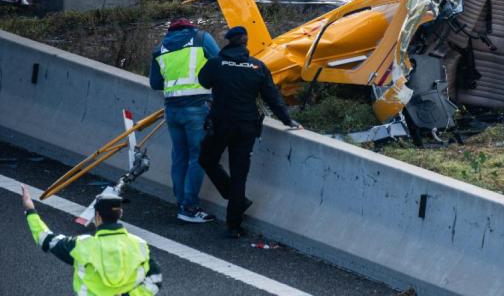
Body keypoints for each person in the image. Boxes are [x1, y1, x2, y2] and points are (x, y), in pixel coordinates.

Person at [198, 26, 302, 238]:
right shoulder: (258, 67)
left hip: (220, 124)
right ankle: (234, 225)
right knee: (239, 175)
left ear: (228, 42)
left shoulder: (217, 63)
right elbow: (272, 98)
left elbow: (203, 81)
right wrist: (287, 120)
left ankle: (231, 194)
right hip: (246, 127)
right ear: (245, 44)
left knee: (207, 160)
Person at [22, 187, 163, 295]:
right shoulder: (140, 245)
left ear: (97, 217)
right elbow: (155, 280)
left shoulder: (81, 245)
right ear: (120, 214)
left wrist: (30, 210)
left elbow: (45, 238)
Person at [149, 17, 220, 223]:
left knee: (179, 156)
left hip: (172, 109)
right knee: (197, 157)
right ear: (190, 27)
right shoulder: (201, 38)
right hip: (197, 107)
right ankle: (189, 207)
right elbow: (220, 62)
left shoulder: (160, 47)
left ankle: (181, 202)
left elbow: (155, 83)